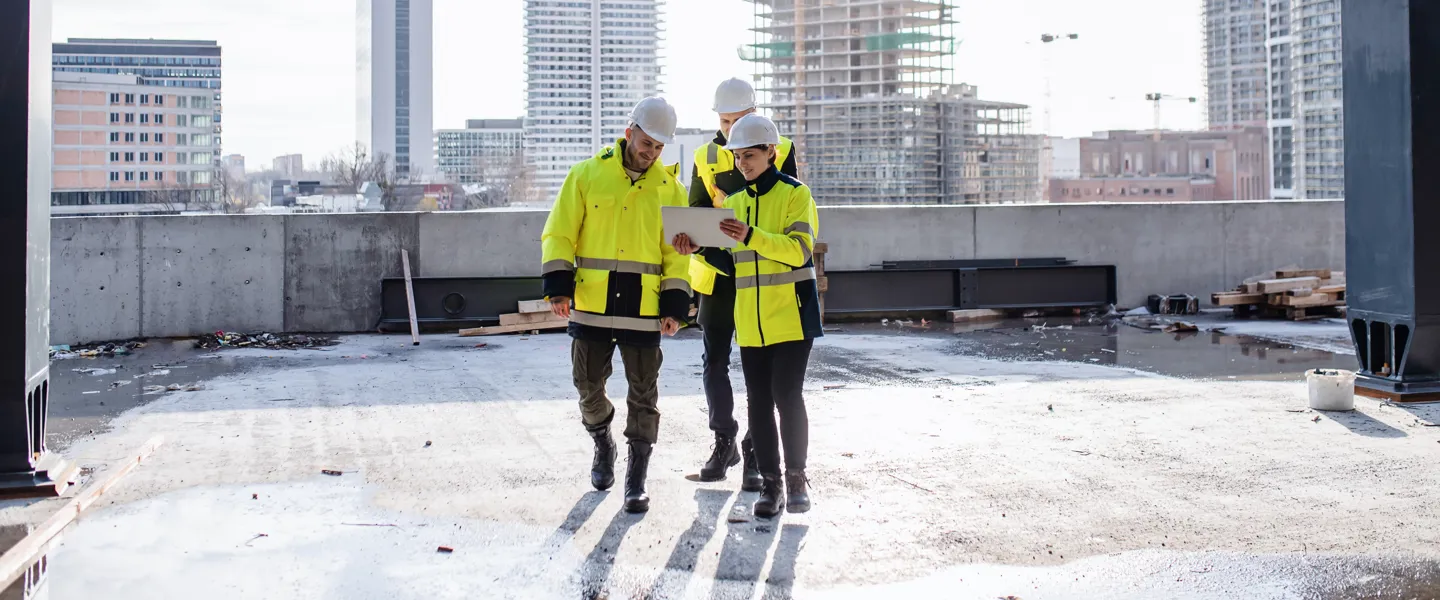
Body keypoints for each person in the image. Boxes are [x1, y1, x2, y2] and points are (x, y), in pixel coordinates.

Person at [540, 96, 692, 514]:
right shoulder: (586, 175)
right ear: (629, 134)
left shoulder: (671, 189)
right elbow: (559, 233)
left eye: (660, 147)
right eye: (646, 144)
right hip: (591, 302)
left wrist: (675, 304)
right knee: (587, 386)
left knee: (644, 395)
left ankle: (636, 479)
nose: (652, 153)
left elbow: (677, 255)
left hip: (644, 308)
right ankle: (603, 442)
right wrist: (558, 286)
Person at [677, 113, 821, 518]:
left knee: (787, 396)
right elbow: (730, 261)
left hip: (791, 316)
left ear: (771, 152)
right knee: (758, 401)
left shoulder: (797, 195)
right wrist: (698, 249)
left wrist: (752, 236)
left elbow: (799, 250)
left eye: (750, 155)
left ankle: (796, 481)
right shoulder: (735, 203)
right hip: (752, 323)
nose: (743, 163)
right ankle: (770, 487)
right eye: (738, 157)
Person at [688, 77, 799, 490]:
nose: (731, 128)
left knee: (761, 367)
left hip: (761, 274)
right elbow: (697, 211)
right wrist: (701, 243)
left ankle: (756, 450)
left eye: (739, 120)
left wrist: (733, 185)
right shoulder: (704, 155)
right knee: (714, 360)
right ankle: (724, 441)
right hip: (719, 273)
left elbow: (780, 198)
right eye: (725, 120)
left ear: (755, 114)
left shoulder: (780, 148)